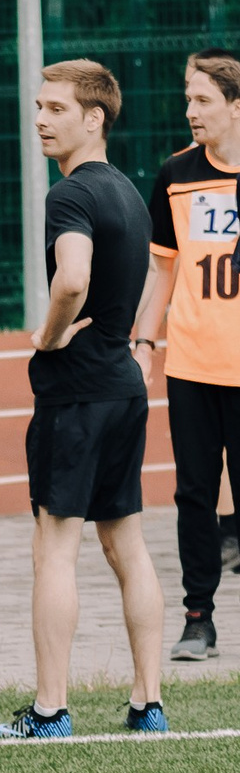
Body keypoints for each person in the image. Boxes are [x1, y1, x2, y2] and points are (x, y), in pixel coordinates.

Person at [0, 62, 166, 737]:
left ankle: (50, 709)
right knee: (128, 544)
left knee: (54, 547)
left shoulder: (68, 197)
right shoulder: (126, 189)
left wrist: (49, 333)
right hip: (122, 389)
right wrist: (134, 342)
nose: (40, 118)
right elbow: (154, 271)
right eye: (38, 105)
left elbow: (72, 277)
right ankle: (147, 703)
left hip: (77, 393)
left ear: (93, 118)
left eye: (56, 108)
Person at [135, 50, 240, 663]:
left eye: (203, 100)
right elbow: (163, 272)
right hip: (194, 366)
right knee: (194, 494)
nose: (190, 111)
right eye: (188, 99)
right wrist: (145, 344)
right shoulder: (176, 175)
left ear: (235, 106)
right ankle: (198, 618)